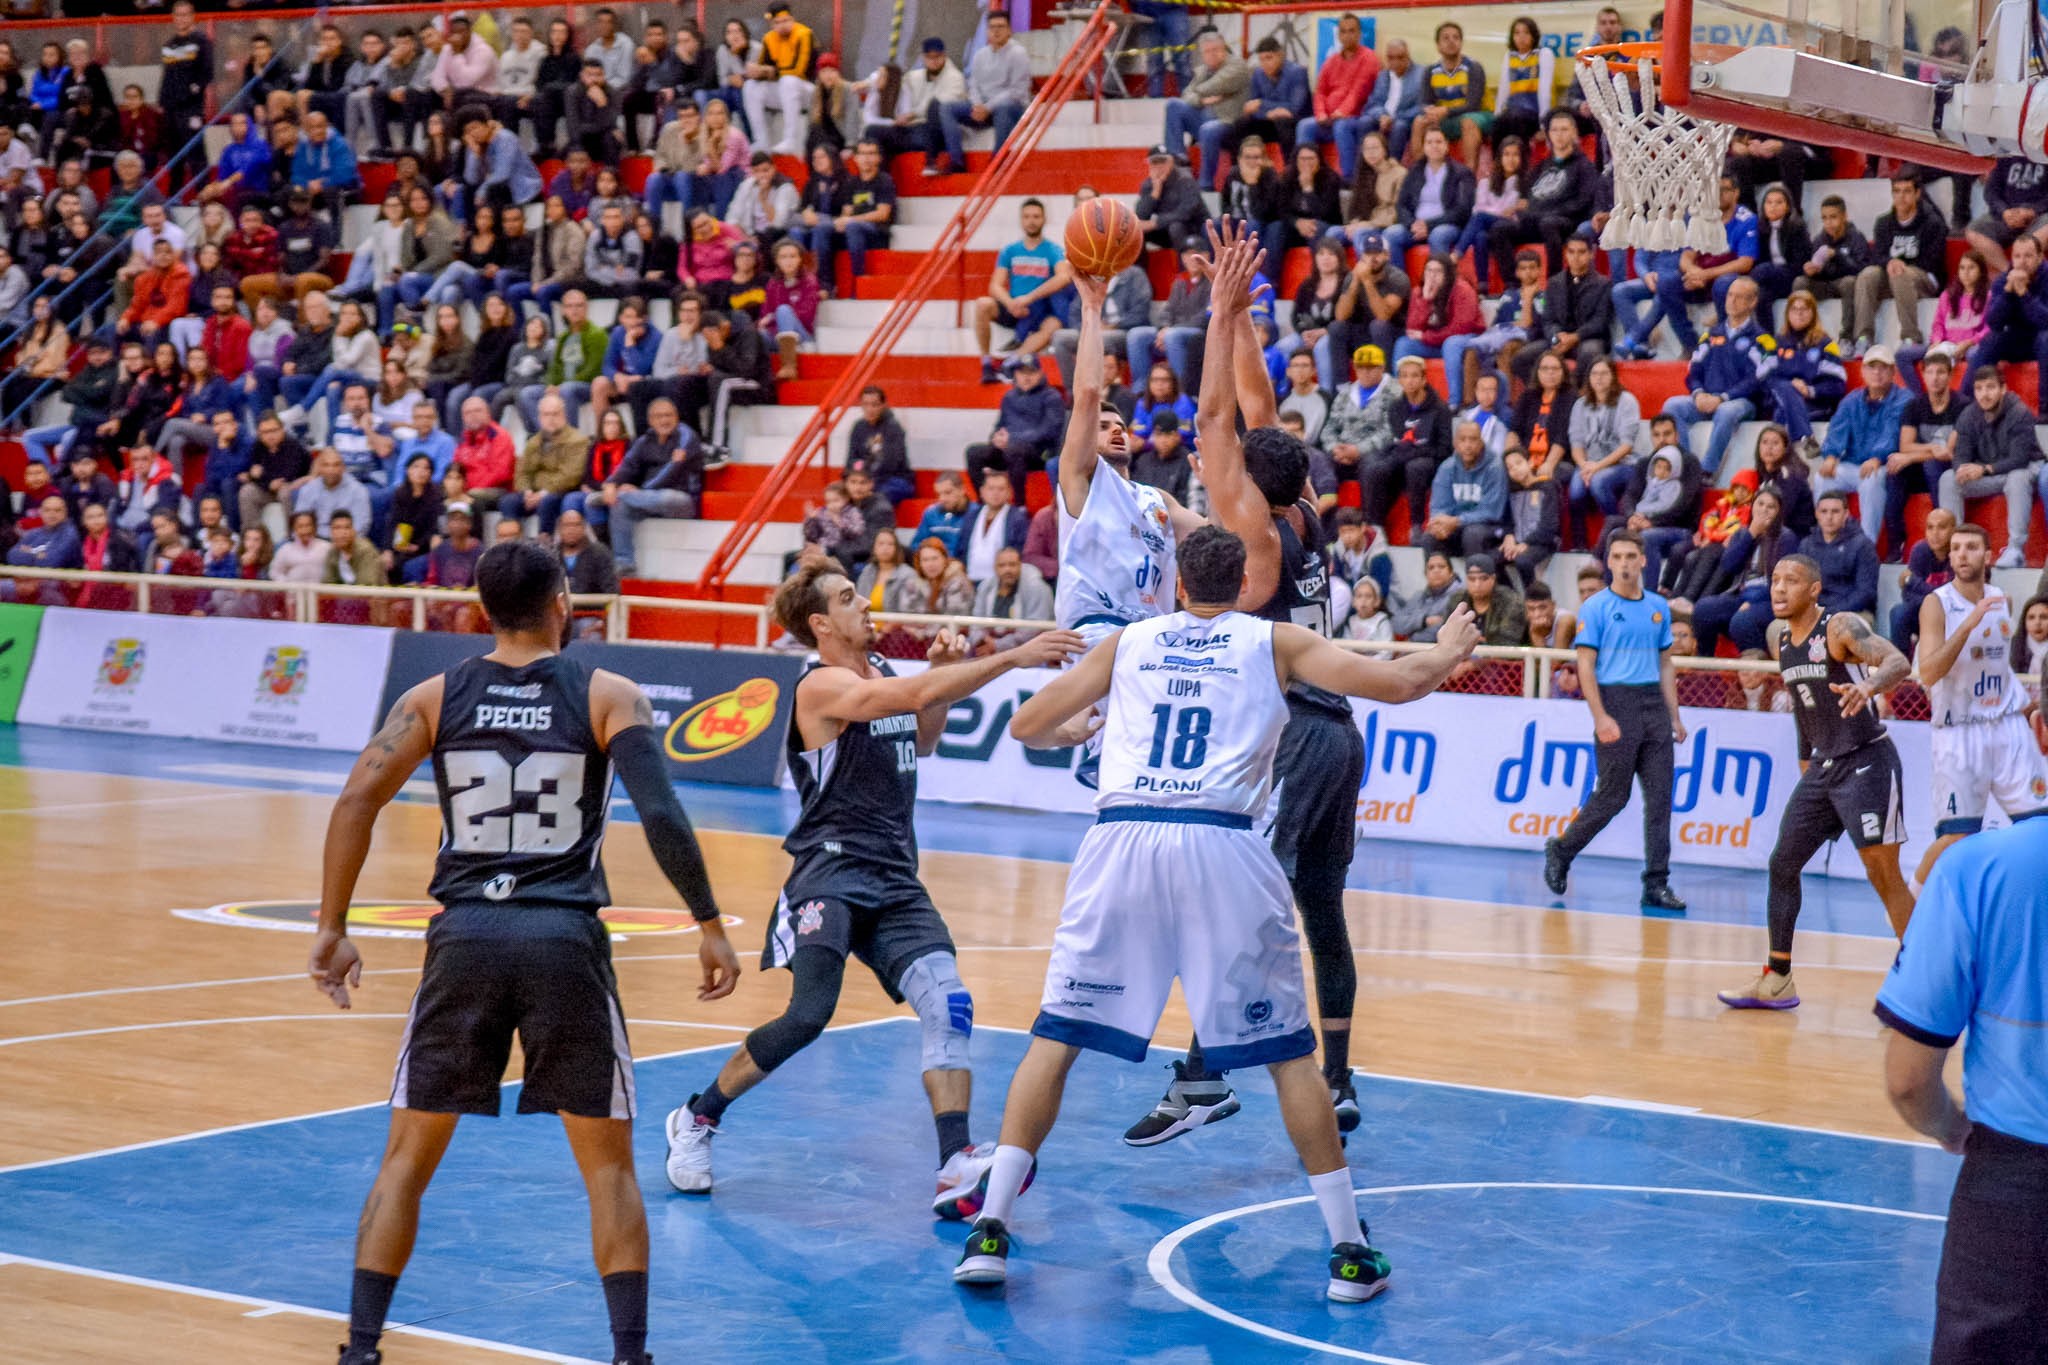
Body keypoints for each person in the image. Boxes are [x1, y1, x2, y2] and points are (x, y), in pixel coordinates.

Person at [955, 523, 1481, 1295]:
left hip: (1121, 839)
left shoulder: (1130, 642)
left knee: (1056, 1035)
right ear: (1244, 587)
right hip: (1220, 841)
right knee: (1287, 1055)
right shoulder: (1275, 640)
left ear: (1175, 585)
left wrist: (1078, 725)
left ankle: (990, 1227)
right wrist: (1447, 648)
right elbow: (1398, 684)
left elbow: (1030, 725)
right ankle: (1347, 1250)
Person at [309, 540, 736, 1365]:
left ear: (480, 607)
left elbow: (358, 796)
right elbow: (662, 814)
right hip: (561, 938)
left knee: (405, 1159)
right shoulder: (608, 693)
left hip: (464, 935)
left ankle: (360, 1350)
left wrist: (332, 922)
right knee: (607, 1168)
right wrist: (708, 920)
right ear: (562, 602)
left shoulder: (434, 694)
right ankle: (629, 1355)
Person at [664, 560, 1081, 1200]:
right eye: (848, 597)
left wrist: (938, 680)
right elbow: (913, 699)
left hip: (894, 874)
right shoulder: (818, 687)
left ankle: (955, 1160)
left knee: (949, 1004)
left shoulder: (885, 671)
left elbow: (926, 735)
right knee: (808, 1015)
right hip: (829, 872)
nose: (866, 604)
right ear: (821, 623)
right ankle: (697, 1117)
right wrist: (1014, 657)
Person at [1875, 815, 2048, 1363]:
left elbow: (1908, 1080)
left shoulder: (1979, 867)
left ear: (2040, 730)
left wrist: (1952, 1129)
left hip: (2017, 1192)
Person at [1718, 555, 1914, 1009]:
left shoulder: (1840, 627)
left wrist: (1869, 686)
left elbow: (1898, 661)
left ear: (1814, 589)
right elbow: (1805, 714)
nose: (1779, 588)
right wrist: (1808, 765)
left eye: (1791, 581)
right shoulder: (1783, 639)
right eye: (1775, 580)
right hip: (1824, 769)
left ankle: (1924, 973)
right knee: (1782, 862)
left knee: (1883, 876)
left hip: (1868, 761)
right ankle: (1778, 977)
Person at [1541, 531, 1689, 911]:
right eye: (1617, 556)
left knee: (1660, 801)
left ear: (1642, 561)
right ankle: (1562, 849)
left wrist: (1675, 715)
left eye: (1631, 556)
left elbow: (1665, 663)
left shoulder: (1658, 607)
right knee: (1613, 796)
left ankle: (1656, 882)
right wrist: (1601, 715)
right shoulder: (1596, 608)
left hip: (1653, 703)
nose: (1624, 563)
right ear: (1609, 562)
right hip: (1616, 701)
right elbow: (1585, 666)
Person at [1913, 522, 2048, 886]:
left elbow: (1997, 668)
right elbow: (1928, 672)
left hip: (2006, 728)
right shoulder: (1936, 604)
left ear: (1988, 555)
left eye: (1971, 547)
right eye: (1955, 548)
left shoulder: (2001, 599)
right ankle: (1910, 905)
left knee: (2041, 827)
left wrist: (2029, 711)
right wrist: (1968, 624)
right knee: (1957, 838)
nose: (1961, 554)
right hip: (1958, 733)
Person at [1937, 365, 2044, 569]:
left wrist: (1984, 469)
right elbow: (1961, 453)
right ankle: (1957, 547)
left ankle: (2015, 549)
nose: (1984, 394)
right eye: (1979, 389)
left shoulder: (2019, 412)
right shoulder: (1969, 414)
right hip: (1990, 472)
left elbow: (2019, 458)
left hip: (2024, 468)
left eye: (1990, 387)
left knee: (2018, 477)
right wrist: (1962, 468)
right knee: (1948, 479)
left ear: (2003, 389)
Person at [1662, 276, 1769, 476]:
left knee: (1727, 411)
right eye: (1730, 295)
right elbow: (1694, 370)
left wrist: (1722, 398)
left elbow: (1756, 379)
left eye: (1739, 297)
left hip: (1741, 403)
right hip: (1707, 399)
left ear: (1752, 302)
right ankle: (1687, 465)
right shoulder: (1711, 334)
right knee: (1672, 406)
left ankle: (1707, 471)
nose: (1732, 301)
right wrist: (1698, 393)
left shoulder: (1762, 338)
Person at [974, 199, 1074, 381]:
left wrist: (1028, 298)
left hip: (1039, 308)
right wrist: (1010, 303)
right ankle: (987, 363)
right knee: (982, 304)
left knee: (1055, 325)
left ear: (1044, 219)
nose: (1031, 221)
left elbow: (1063, 277)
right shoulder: (1010, 250)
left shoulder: (1053, 250)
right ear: (1021, 220)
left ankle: (1011, 362)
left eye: (1036, 216)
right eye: (1027, 217)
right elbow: (995, 285)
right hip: (1013, 307)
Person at [925, 9, 1030, 177]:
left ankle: (998, 159)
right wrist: (977, 105)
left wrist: (987, 107)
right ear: (987, 30)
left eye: (1001, 27)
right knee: (946, 108)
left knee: (1005, 107)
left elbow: (1016, 91)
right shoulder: (980, 55)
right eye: (992, 27)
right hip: (983, 108)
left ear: (1009, 30)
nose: (996, 31)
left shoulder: (1018, 54)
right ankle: (956, 161)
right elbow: (973, 84)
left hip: (1011, 108)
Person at [1853, 174, 1949, 356]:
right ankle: (1863, 338)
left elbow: (1933, 261)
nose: (1901, 197)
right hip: (1894, 278)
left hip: (1925, 278)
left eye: (1906, 191)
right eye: (1896, 192)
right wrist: (1890, 262)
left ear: (1917, 194)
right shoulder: (1884, 223)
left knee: (1900, 274)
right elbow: (1877, 256)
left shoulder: (1932, 223)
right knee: (1868, 274)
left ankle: (1911, 338)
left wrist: (1902, 265)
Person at [1418, 420, 1506, 559]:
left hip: (1489, 528)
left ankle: (1477, 578)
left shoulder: (1494, 467)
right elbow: (1439, 506)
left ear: (1481, 442)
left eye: (1473, 440)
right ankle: (1444, 580)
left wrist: (1457, 521)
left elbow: (1491, 512)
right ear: (1455, 444)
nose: (1468, 445)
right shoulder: (1447, 467)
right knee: (1429, 538)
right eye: (1463, 440)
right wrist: (1440, 525)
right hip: (1457, 527)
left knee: (1472, 534)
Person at [1413, 21, 1487, 167]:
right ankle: (1420, 174)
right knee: (1419, 121)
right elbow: (1424, 102)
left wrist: (1445, 111)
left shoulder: (1473, 67)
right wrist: (1429, 111)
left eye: (1456, 37)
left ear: (1461, 43)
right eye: (1446, 38)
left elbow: (1473, 105)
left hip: (1477, 116)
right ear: (1438, 45)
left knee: (1468, 122)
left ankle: (1469, 178)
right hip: (1446, 119)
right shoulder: (1430, 70)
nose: (1451, 41)